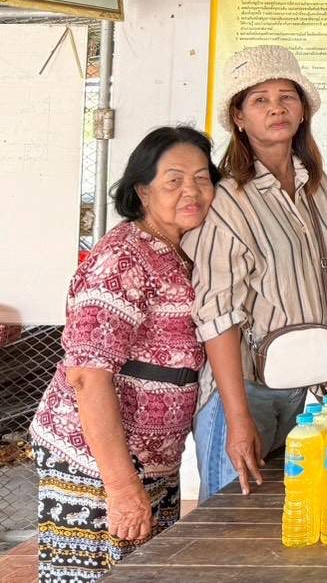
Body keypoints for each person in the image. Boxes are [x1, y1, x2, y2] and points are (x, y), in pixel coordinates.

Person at [30, 128, 217, 581]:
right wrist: (121, 486)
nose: (191, 190)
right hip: (94, 465)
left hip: (155, 461)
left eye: (202, 178)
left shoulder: (181, 250)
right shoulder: (123, 256)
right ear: (143, 190)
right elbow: (87, 375)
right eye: (174, 180)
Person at [188, 46, 327, 501]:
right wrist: (238, 420)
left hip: (302, 389)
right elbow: (217, 315)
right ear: (239, 118)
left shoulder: (317, 188)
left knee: (285, 513)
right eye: (260, 100)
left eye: (286, 97)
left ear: (302, 111)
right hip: (245, 392)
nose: (276, 108)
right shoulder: (228, 199)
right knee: (229, 522)